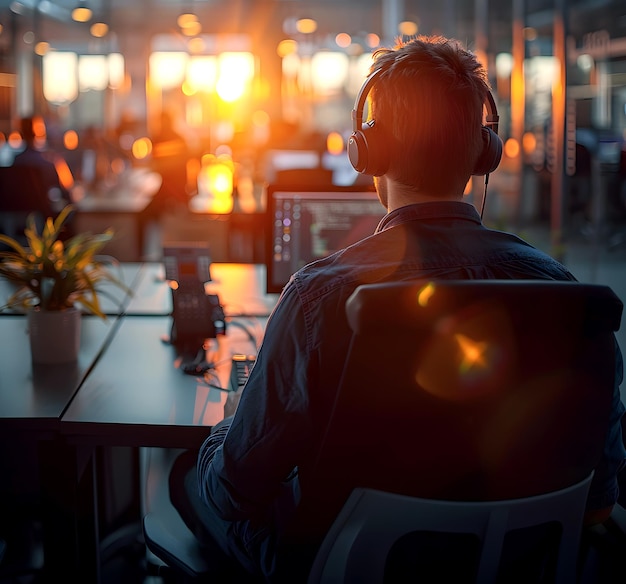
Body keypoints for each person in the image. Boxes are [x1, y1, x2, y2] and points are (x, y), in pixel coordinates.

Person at [168, 35, 626, 581]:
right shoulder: (572, 300)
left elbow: (233, 495)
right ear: (483, 154)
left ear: (371, 150)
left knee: (188, 475)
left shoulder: (318, 296)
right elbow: (598, 502)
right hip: (518, 566)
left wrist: (235, 421)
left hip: (346, 569)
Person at [136, 110, 190, 257]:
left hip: (171, 193)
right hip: (175, 191)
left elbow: (162, 166)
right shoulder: (178, 138)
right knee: (145, 215)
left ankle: (139, 255)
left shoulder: (164, 138)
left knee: (140, 216)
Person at [12, 115, 75, 211]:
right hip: (45, 216)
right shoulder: (51, 161)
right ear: (40, 131)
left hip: (19, 215)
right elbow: (67, 192)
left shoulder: (16, 161)